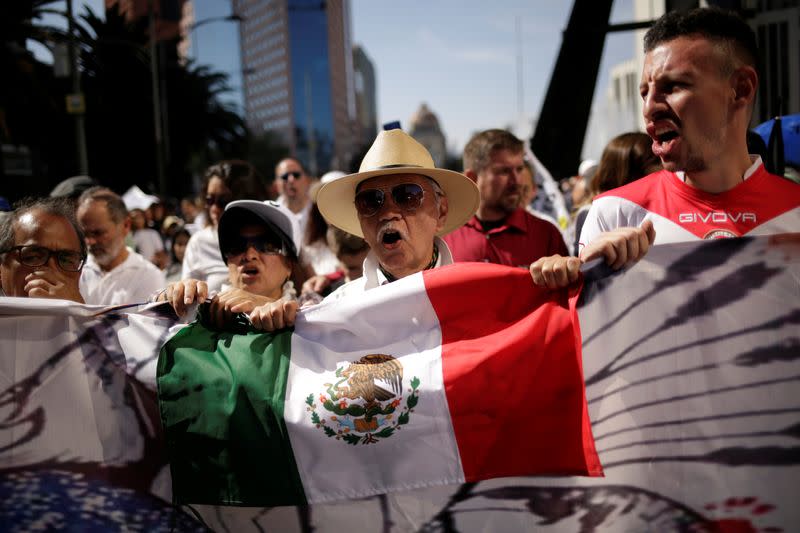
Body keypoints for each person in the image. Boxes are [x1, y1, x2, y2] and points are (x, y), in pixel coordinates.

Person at [531, 7, 800, 289]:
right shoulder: (615, 213)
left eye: (672, 86)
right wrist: (576, 282)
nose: (649, 109)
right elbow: (581, 328)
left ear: (741, 89)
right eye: (645, 92)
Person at [248, 128, 480, 330]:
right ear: (360, 221)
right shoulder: (333, 313)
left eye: (408, 196)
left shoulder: (479, 300)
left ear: (440, 211)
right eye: (370, 201)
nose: (388, 213)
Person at [157, 200, 302, 326]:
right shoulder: (201, 308)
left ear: (289, 265)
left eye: (268, 245)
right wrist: (169, 299)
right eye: (236, 245)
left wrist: (265, 304)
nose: (249, 255)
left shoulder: (312, 313)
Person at [443, 129, 568, 268]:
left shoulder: (546, 235)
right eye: (503, 171)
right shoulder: (442, 235)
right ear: (472, 178)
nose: (517, 180)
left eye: (519, 169)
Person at [181, 160, 269, 294]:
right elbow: (184, 303)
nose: (214, 209)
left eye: (224, 202)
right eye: (210, 200)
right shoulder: (199, 242)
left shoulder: (276, 236)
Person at [571, 132, 661, 255]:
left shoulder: (665, 206)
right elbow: (583, 267)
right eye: (650, 163)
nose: (659, 169)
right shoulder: (592, 213)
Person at [76, 187, 166, 305]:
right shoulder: (75, 272)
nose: (90, 241)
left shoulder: (148, 277)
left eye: (98, 233)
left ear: (125, 225)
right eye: (84, 234)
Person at [0, 196, 86, 302]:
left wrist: (77, 311)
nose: (52, 272)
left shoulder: (86, 316)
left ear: (80, 273)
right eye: (33, 257)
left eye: (66, 260)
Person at [275, 157, 314, 241]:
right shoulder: (270, 214)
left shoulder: (321, 211)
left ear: (307, 180)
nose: (291, 180)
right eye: (284, 176)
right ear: (276, 184)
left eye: (296, 175)